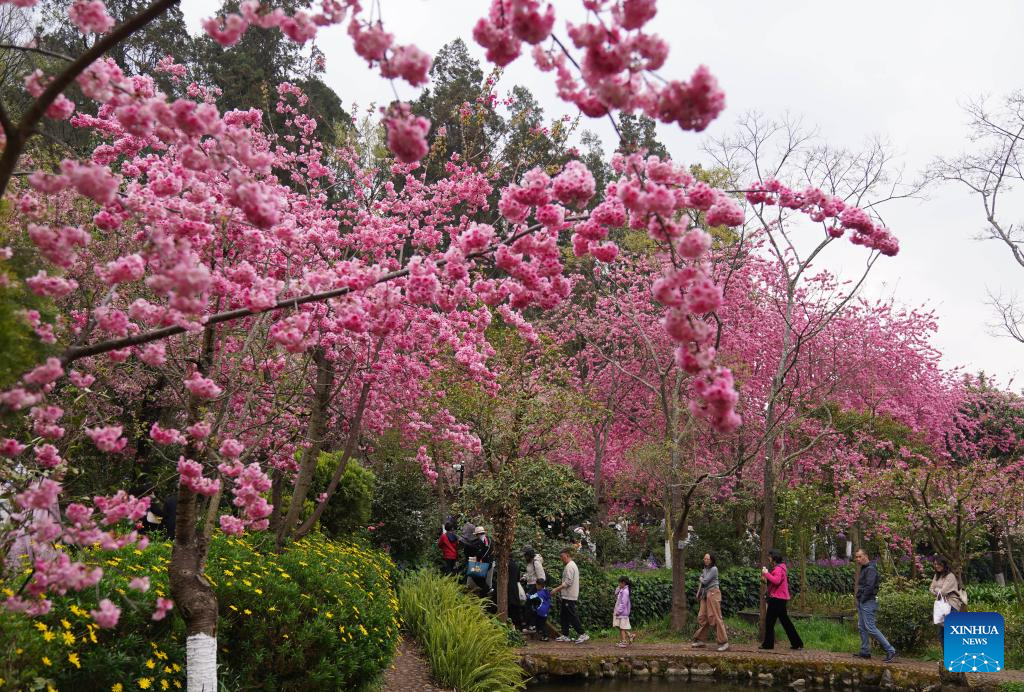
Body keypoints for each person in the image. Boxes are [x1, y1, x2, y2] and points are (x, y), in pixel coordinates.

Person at [852, 548, 897, 662]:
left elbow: (870, 586)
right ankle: (865, 651)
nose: (857, 559)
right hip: (863, 601)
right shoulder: (865, 568)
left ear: (865, 556)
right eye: (856, 557)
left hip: (868, 601)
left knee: (870, 628)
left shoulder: (871, 569)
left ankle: (890, 650)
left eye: (859, 556)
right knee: (862, 627)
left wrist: (862, 599)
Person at [760, 549, 804, 650]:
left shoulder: (778, 569)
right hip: (780, 599)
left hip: (777, 599)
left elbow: (776, 581)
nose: (769, 558)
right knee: (785, 621)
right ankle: (797, 643)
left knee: (770, 621)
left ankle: (768, 644)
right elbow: (775, 583)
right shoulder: (780, 568)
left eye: (770, 557)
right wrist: (766, 582)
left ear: (774, 558)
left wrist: (766, 573)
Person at [691, 552, 729, 651]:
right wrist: (698, 593)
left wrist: (700, 578)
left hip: (713, 593)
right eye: (704, 559)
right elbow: (702, 583)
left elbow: (705, 581)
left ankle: (724, 642)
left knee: (715, 617)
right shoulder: (705, 569)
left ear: (712, 560)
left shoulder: (714, 569)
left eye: (708, 559)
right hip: (705, 595)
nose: (706, 560)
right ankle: (700, 640)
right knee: (702, 617)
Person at [551, 548, 589, 644]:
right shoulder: (570, 565)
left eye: (562, 557)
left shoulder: (570, 566)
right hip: (566, 595)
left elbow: (567, 582)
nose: (561, 559)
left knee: (572, 615)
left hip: (569, 595)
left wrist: (556, 589)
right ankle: (565, 635)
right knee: (564, 615)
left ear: (567, 555)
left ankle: (582, 634)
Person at [930, 556, 967, 653]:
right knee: (941, 634)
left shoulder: (950, 576)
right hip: (941, 606)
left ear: (944, 564)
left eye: (938, 564)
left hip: (952, 605)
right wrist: (937, 591)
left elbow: (943, 591)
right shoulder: (936, 576)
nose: (936, 566)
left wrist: (936, 590)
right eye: (935, 564)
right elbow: (931, 589)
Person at [521, 546, 546, 632]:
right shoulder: (530, 562)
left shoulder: (536, 562)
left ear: (529, 554)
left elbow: (541, 576)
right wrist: (525, 577)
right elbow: (530, 573)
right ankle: (532, 625)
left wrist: (539, 589)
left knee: (530, 605)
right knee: (530, 605)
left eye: (526, 555)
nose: (524, 557)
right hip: (530, 585)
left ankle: (532, 625)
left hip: (535, 586)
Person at [613, 576, 636, 648]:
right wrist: (619, 587)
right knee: (619, 626)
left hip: (622, 612)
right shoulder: (622, 589)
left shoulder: (625, 592)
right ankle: (630, 635)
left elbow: (623, 603)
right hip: (620, 611)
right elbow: (615, 593)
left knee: (622, 627)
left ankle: (624, 642)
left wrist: (618, 611)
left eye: (619, 583)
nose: (618, 584)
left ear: (623, 583)